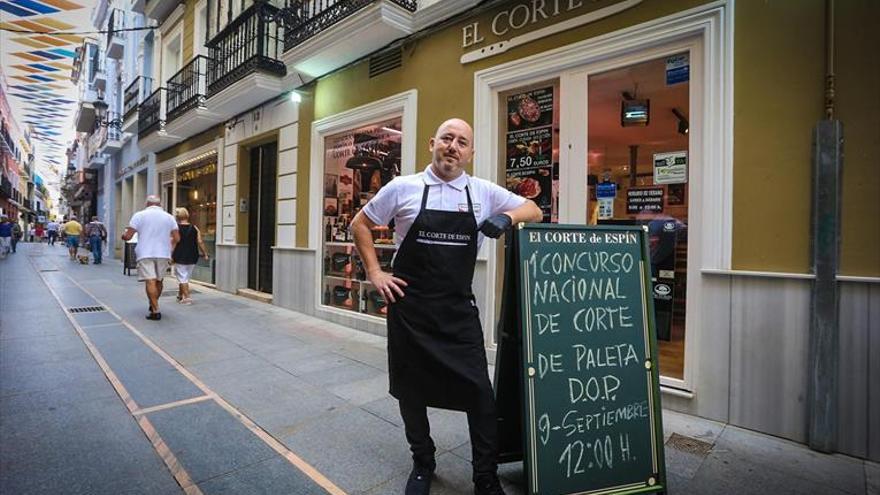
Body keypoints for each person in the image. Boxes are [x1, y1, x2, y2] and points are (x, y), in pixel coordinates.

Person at [351, 118, 542, 495]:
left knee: (480, 397)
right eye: (447, 138)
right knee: (411, 392)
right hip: (411, 309)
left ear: (470, 153)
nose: (453, 146)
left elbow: (533, 209)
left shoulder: (482, 192)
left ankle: (484, 476)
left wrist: (506, 217)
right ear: (432, 144)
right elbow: (361, 224)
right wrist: (375, 272)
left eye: (462, 142)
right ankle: (423, 462)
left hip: (457, 311)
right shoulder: (403, 187)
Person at [121, 195, 179, 321]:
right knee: (159, 281)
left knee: (150, 281)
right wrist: (171, 249)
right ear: (160, 204)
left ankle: (155, 310)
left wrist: (123, 235)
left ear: (147, 204)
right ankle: (153, 306)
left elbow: (128, 236)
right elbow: (177, 238)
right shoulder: (169, 217)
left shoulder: (139, 215)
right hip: (163, 253)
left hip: (145, 252)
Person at [171, 207, 209, 305]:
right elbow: (200, 241)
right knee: (185, 277)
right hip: (192, 255)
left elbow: (173, 242)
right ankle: (180, 295)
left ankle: (187, 298)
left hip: (180, 255)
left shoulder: (175, 229)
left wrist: (170, 255)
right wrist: (205, 253)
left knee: (182, 277)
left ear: (178, 217)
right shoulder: (194, 228)